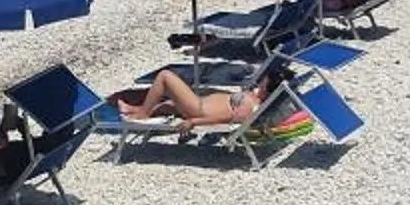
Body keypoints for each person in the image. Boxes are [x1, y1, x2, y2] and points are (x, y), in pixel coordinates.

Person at [115, 64, 285, 130]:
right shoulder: (256, 98)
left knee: (165, 76)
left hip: (199, 110)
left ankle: (143, 114)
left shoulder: (252, 107)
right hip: (199, 104)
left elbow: (227, 116)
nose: (262, 80)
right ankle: (135, 109)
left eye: (264, 81)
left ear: (267, 88)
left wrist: (194, 122)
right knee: (166, 103)